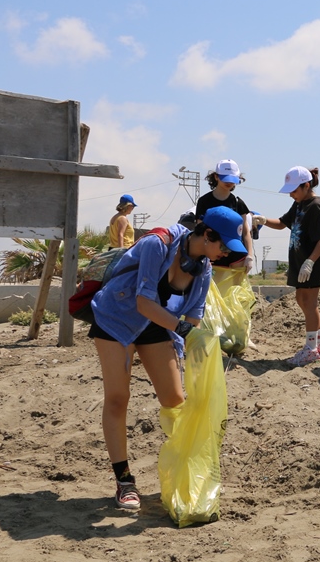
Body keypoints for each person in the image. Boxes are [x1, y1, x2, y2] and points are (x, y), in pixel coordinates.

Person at [90, 206, 247, 510]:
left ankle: (186, 470)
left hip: (155, 326)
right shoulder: (157, 244)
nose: (224, 253)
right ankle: (124, 481)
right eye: (223, 245)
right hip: (115, 319)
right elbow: (144, 301)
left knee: (175, 399)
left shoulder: (205, 269)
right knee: (118, 397)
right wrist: (184, 329)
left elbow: (193, 318)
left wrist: (195, 350)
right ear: (207, 234)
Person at [253, 166, 320, 367]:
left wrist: (310, 262)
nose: (291, 194)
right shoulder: (299, 204)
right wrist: (264, 220)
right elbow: (282, 223)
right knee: (302, 299)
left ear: (306, 185)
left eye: (294, 190)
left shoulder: (317, 205)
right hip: (301, 260)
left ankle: (310, 349)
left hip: (315, 259)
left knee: (309, 301)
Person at [195, 160, 256, 273]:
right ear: (216, 177)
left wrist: (249, 256)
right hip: (211, 254)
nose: (229, 182)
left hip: (234, 255)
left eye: (232, 180)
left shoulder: (238, 203)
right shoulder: (204, 201)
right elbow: (199, 230)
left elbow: (245, 232)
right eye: (225, 179)